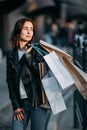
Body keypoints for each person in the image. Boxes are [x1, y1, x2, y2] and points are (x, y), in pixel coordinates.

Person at [6, 17, 51, 130]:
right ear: (18, 31)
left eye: (31, 29)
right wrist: (16, 106)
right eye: (26, 28)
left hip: (38, 104)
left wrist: (28, 55)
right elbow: (10, 82)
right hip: (21, 105)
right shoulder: (11, 55)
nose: (29, 32)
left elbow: (39, 74)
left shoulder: (38, 51)